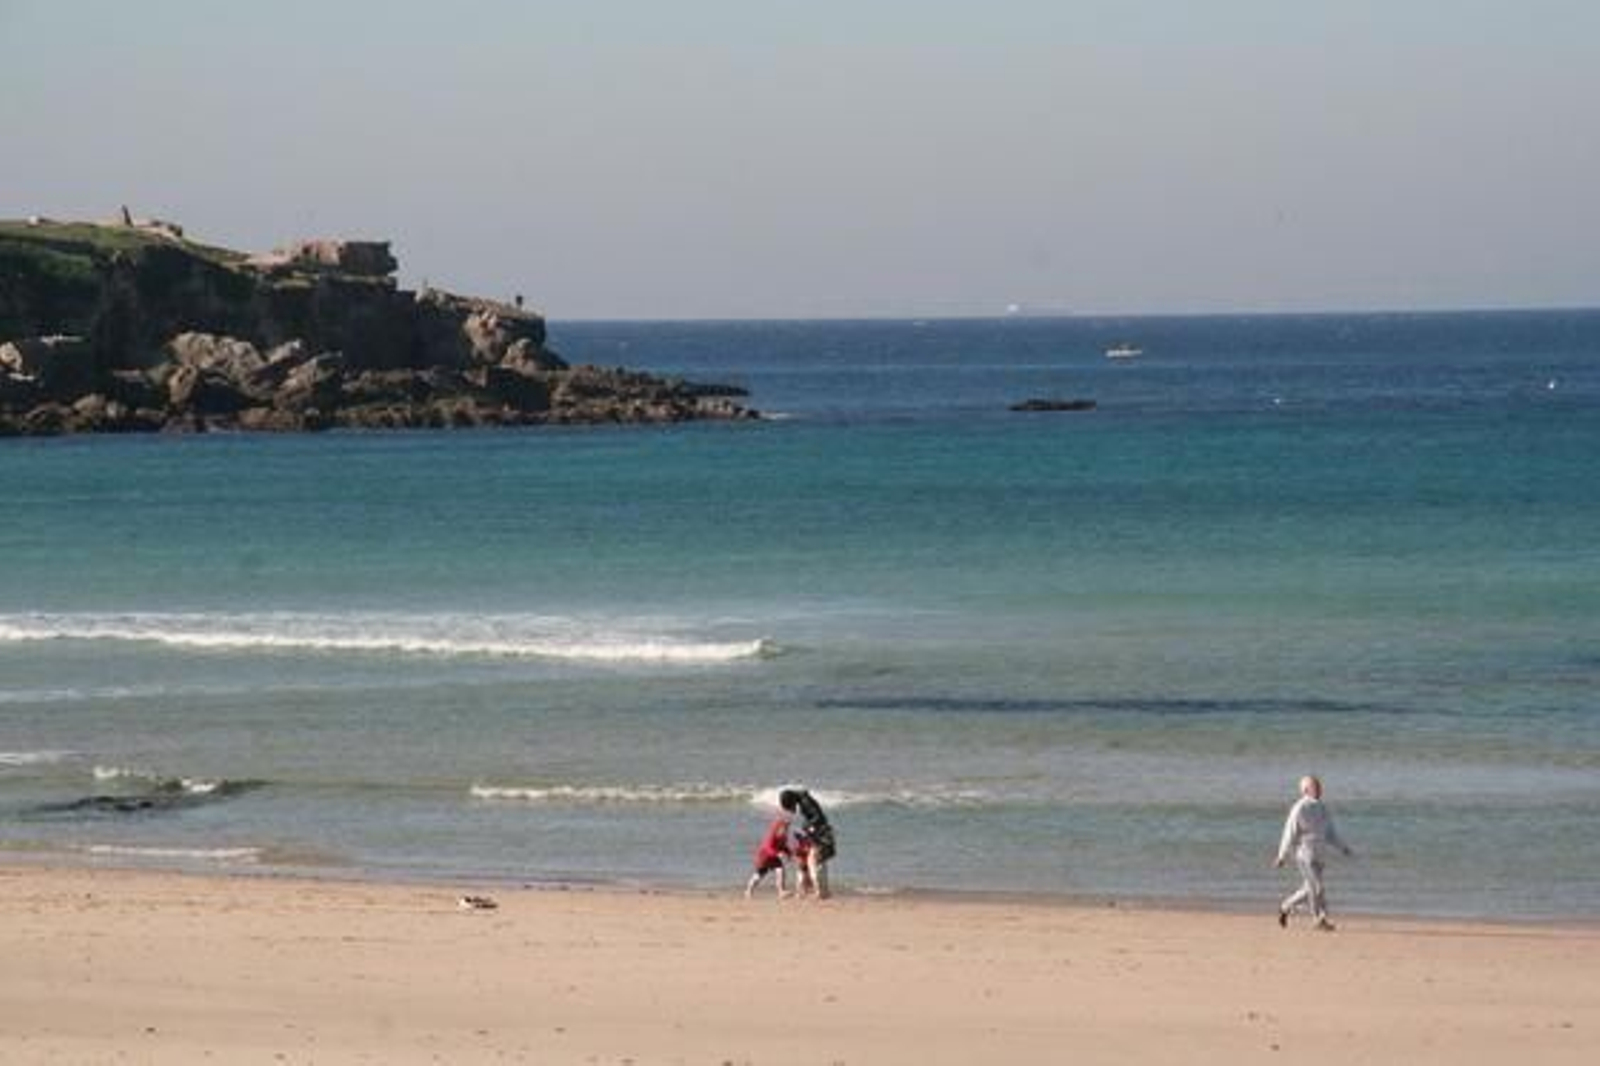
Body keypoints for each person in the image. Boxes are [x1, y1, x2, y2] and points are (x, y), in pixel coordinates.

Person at [1274, 774, 1354, 931]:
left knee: (1308, 889)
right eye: (1315, 787)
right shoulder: (1299, 808)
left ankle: (1285, 907)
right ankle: (1319, 919)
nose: (1319, 789)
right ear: (1305, 790)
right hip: (1305, 855)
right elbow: (1289, 832)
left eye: (1319, 786)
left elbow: (1330, 833)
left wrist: (1343, 847)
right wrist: (1281, 855)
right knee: (1317, 887)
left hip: (1320, 854)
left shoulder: (1323, 808)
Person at [778, 787, 836, 900]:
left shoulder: (805, 802)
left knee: (814, 862)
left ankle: (820, 892)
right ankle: (824, 892)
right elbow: (816, 818)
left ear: (791, 801)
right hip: (821, 835)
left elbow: (818, 817)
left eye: (789, 807)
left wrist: (806, 826)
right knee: (818, 863)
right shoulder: (804, 800)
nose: (792, 810)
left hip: (822, 836)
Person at [745, 813, 795, 898]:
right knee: (759, 875)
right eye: (784, 828)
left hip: (774, 858)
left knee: (780, 870)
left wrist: (789, 854)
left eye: (787, 828)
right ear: (778, 827)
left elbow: (784, 846)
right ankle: (748, 890)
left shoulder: (783, 836)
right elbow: (767, 847)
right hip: (764, 857)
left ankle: (781, 891)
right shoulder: (772, 835)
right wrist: (777, 854)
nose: (786, 830)